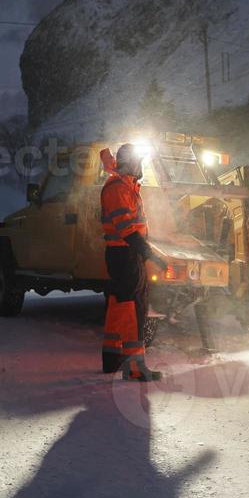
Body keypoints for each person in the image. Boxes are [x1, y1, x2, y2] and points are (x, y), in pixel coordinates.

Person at [99, 143, 162, 381]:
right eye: (139, 161)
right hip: (124, 255)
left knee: (119, 306)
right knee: (133, 309)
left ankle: (113, 359)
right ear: (130, 163)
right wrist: (150, 254)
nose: (141, 166)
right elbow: (126, 229)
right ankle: (135, 368)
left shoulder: (125, 185)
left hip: (124, 255)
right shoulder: (118, 188)